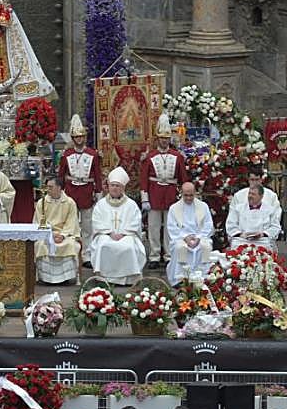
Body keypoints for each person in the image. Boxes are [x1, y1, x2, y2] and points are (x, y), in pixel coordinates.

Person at [140, 113, 187, 268]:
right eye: (162, 138)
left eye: (166, 138)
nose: (164, 141)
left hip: (171, 195)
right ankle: (154, 255)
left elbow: (183, 178)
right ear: (157, 139)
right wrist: (145, 198)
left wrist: (184, 197)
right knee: (153, 226)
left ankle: (168, 255)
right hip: (154, 194)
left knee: (169, 226)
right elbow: (144, 178)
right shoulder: (150, 156)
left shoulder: (177, 156)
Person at [91, 167, 147, 285]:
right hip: (106, 234)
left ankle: (129, 278)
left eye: (118, 186)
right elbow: (97, 222)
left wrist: (123, 234)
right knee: (103, 245)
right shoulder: (101, 204)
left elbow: (135, 222)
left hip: (126, 235)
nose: (115, 188)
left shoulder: (131, 205)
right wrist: (110, 233)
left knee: (129, 247)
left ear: (123, 188)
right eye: (112, 185)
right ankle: (104, 278)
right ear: (108, 187)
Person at [58, 114, 103, 260]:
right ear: (72, 138)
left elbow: (97, 175)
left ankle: (87, 255)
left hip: (86, 191)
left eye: (81, 137)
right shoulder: (66, 154)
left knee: (87, 225)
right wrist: (60, 192)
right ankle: (73, 252)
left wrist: (98, 193)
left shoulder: (92, 154)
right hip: (71, 190)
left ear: (84, 137)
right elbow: (61, 174)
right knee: (72, 224)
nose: (79, 139)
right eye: (76, 137)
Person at [32, 177, 81, 285]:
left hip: (65, 234)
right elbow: (38, 222)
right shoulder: (42, 202)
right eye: (47, 187)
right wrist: (50, 235)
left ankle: (66, 278)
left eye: (50, 187)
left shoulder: (69, 202)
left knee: (69, 245)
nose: (48, 190)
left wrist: (62, 235)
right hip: (47, 234)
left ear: (59, 188)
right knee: (41, 245)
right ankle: (45, 278)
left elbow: (71, 222)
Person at [165, 182, 213, 286]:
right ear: (181, 193)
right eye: (186, 195)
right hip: (181, 238)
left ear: (195, 193)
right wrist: (185, 237)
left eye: (191, 195)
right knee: (179, 247)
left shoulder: (203, 206)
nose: (188, 198)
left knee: (205, 246)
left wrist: (198, 238)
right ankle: (180, 279)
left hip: (200, 237)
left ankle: (203, 278)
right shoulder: (174, 208)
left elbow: (208, 225)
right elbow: (172, 227)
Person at [226, 183, 282, 251]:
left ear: (261, 196)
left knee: (267, 246)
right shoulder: (238, 208)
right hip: (242, 240)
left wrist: (263, 234)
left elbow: (275, 227)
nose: (250, 196)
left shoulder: (270, 210)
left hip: (262, 240)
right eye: (249, 193)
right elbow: (231, 225)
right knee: (236, 245)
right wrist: (240, 234)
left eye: (253, 194)